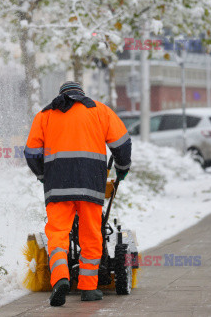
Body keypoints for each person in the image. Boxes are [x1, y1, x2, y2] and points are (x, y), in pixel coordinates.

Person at [24, 81, 131, 306]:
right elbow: (121, 143)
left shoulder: (45, 114)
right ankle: (88, 288)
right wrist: (122, 168)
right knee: (92, 234)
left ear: (61, 94)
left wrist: (43, 175)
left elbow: (32, 152)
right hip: (90, 184)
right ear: (81, 94)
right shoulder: (99, 110)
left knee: (57, 235)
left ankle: (61, 277)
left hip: (57, 187)